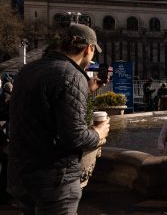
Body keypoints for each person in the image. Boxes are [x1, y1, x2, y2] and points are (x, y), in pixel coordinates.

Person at [7, 24, 111, 215]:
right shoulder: (72, 75)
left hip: (20, 173)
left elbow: (43, 108)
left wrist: (86, 89)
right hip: (54, 179)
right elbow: (75, 137)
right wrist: (98, 133)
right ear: (89, 48)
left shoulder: (29, 69)